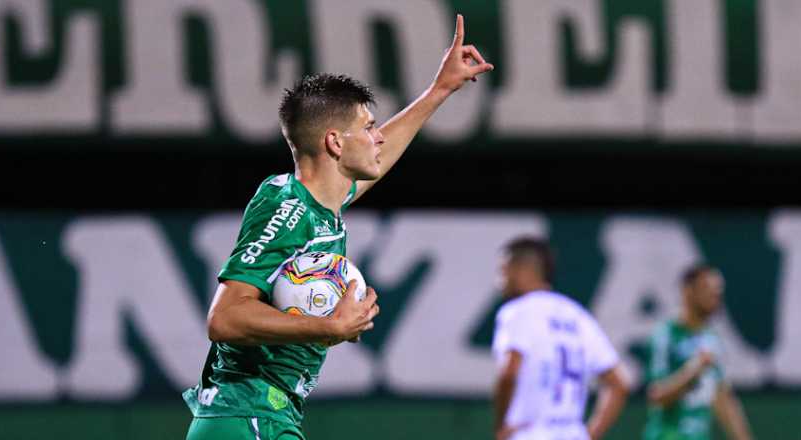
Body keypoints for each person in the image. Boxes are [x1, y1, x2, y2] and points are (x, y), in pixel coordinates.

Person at [182, 14, 495, 440]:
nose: (378, 138)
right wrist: (327, 327)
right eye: (368, 128)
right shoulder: (287, 210)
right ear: (334, 142)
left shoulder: (320, 208)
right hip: (246, 417)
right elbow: (224, 318)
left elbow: (380, 158)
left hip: (266, 416)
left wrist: (439, 91)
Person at [492, 237, 630, 440]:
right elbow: (618, 384)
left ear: (522, 269)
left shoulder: (518, 311)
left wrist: (501, 425)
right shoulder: (578, 315)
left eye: (503, 271)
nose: (499, 281)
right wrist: (589, 435)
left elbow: (509, 373)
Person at [643, 264, 754, 440]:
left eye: (718, 291)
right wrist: (693, 371)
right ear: (688, 291)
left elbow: (722, 397)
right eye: (708, 290)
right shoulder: (665, 335)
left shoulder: (712, 339)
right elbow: (656, 395)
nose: (715, 296)